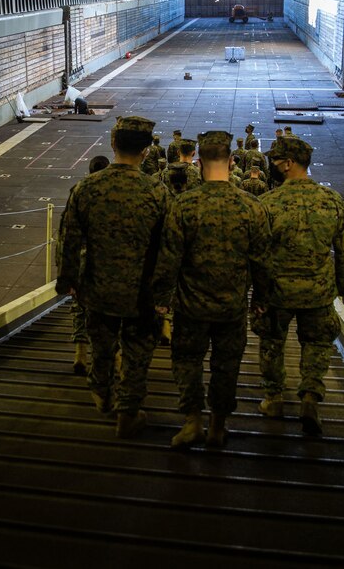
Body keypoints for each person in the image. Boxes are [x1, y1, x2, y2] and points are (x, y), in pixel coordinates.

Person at [153, 131, 272, 449]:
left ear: (200, 162)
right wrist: (260, 299)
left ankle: (192, 422)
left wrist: (162, 301)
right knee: (226, 364)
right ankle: (218, 426)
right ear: (232, 161)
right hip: (232, 307)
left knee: (187, 360)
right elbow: (261, 261)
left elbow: (169, 258)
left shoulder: (184, 206)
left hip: (191, 306)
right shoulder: (251, 206)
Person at [57, 116, 170, 439]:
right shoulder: (157, 193)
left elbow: (70, 241)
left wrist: (68, 282)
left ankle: (101, 395)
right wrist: (164, 296)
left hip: (97, 289)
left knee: (102, 348)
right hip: (141, 294)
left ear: (112, 145)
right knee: (135, 356)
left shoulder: (86, 188)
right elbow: (168, 249)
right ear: (147, 152)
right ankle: (128, 412)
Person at [254, 137, 344, 436]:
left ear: (288, 164)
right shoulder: (332, 201)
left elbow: (257, 254)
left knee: (272, 344)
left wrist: (256, 292)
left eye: (275, 160)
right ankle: (310, 397)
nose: (272, 165)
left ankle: (273, 398)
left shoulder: (268, 204)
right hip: (319, 291)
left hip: (277, 292)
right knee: (317, 345)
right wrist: (342, 287)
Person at [61, 154, 110, 375]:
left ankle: (80, 353)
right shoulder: (114, 195)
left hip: (81, 261)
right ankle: (111, 358)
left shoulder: (78, 192)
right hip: (107, 264)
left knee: (79, 309)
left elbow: (66, 234)